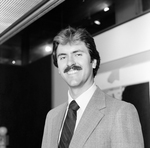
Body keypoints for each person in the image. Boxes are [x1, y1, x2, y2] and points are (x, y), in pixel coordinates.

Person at [41, 26, 144, 148]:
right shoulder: (52, 117)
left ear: (94, 62)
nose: (70, 63)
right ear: (58, 68)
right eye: (63, 57)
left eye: (78, 54)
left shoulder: (121, 112)